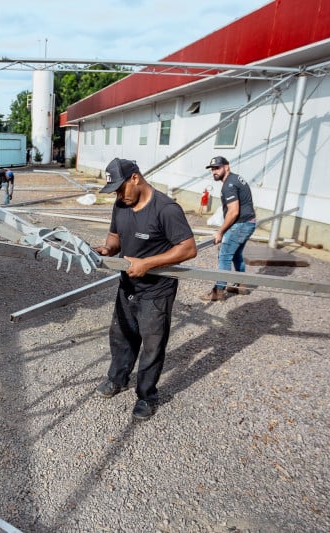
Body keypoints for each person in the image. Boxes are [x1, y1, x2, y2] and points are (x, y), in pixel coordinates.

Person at [94, 158, 197, 421]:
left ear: (135, 178)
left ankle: (146, 396)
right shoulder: (121, 204)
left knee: (152, 346)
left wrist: (148, 263)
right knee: (121, 336)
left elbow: (188, 249)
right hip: (127, 285)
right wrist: (108, 249)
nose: (119, 195)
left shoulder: (166, 209)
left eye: (121, 188)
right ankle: (117, 379)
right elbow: (115, 236)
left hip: (156, 291)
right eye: (115, 191)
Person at [200, 156, 256, 302]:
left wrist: (220, 232)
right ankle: (241, 285)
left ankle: (218, 291)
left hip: (241, 224)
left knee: (224, 256)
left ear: (226, 167)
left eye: (217, 168)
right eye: (212, 169)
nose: (214, 171)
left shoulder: (229, 185)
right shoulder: (235, 179)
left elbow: (233, 212)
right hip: (248, 222)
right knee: (236, 254)